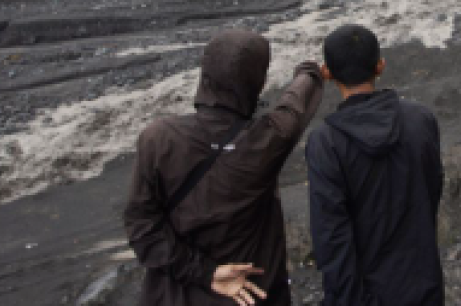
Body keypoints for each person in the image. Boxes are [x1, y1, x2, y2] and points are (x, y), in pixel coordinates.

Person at [124, 28, 324, 306]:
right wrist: (311, 70)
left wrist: (205, 272)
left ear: (204, 74)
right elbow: (294, 104)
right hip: (253, 295)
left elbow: (141, 227)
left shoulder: (158, 138)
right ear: (258, 81)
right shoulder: (266, 139)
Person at [307, 24, 445, 306]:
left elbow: (331, 237)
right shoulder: (421, 120)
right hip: (424, 286)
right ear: (380, 65)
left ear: (327, 73)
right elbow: (432, 191)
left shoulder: (326, 142)